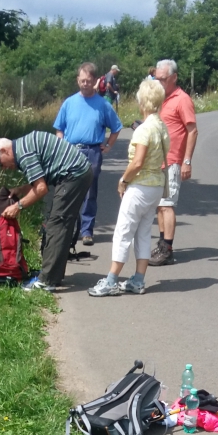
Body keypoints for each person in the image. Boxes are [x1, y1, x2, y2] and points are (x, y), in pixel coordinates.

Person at [88, 78, 169, 297]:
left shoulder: (144, 129)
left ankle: (111, 280)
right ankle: (138, 280)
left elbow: (138, 162)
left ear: (143, 102)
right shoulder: (161, 126)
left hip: (140, 186)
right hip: (156, 186)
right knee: (143, 232)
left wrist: (123, 180)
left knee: (123, 232)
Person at [0, 132, 92, 291]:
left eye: (0, 164)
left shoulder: (24, 154)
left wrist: (17, 206)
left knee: (57, 226)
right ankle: (52, 275)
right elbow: (40, 182)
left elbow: (41, 189)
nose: (3, 169)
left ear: (4, 151)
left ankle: (47, 280)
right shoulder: (22, 147)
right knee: (59, 224)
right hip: (77, 173)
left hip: (75, 175)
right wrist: (21, 190)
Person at [53, 62, 122, 246]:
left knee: (90, 192)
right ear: (78, 80)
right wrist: (61, 144)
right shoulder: (69, 103)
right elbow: (59, 128)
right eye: (82, 80)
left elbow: (116, 128)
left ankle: (86, 231)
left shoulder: (103, 105)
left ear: (95, 81)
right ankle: (67, 229)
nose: (85, 84)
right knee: (68, 191)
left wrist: (108, 146)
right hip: (70, 151)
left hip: (92, 152)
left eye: (88, 81)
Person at [148, 58, 198, 266]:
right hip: (157, 161)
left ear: (174, 77)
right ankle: (162, 244)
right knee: (160, 205)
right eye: (156, 78)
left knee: (167, 205)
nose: (158, 82)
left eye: (163, 79)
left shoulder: (182, 99)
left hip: (172, 161)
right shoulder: (161, 99)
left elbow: (192, 130)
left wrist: (187, 161)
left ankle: (167, 250)